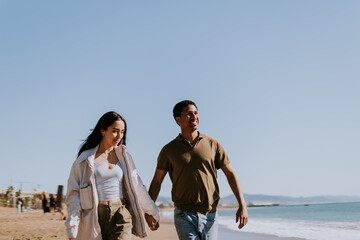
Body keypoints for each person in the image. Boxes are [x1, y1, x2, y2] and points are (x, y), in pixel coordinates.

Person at [148, 100, 248, 240]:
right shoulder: (169, 150)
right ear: (178, 120)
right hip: (184, 215)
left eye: (196, 113)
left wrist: (242, 205)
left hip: (210, 214)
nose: (194, 116)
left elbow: (230, 174)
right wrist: (149, 210)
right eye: (189, 114)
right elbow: (157, 182)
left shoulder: (213, 145)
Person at [65, 111, 159, 240]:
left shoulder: (124, 157)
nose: (119, 136)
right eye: (115, 131)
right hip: (95, 216)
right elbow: (74, 194)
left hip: (120, 213)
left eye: (122, 132)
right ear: (103, 130)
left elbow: (137, 186)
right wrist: (72, 227)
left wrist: (152, 212)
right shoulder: (85, 159)